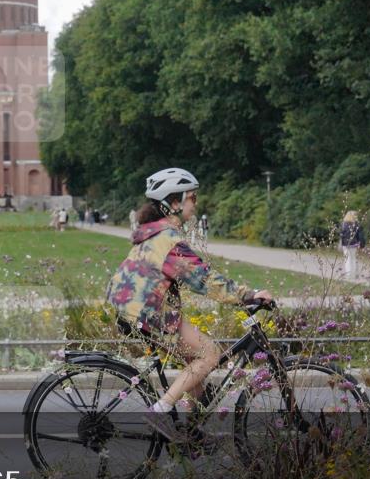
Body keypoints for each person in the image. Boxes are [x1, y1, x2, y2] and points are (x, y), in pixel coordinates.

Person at [106, 167, 272, 443]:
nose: (195, 204)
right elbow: (204, 279)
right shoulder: (168, 240)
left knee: (196, 362)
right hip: (147, 311)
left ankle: (191, 433)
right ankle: (159, 411)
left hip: (135, 308)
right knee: (209, 353)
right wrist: (248, 295)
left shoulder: (156, 233)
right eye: (192, 198)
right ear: (174, 203)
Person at [340, 210, 364, 278]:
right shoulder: (357, 224)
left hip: (346, 244)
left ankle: (348, 274)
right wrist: (362, 244)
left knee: (347, 259)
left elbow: (341, 235)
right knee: (354, 259)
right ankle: (354, 274)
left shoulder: (344, 224)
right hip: (354, 244)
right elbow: (360, 235)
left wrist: (342, 243)